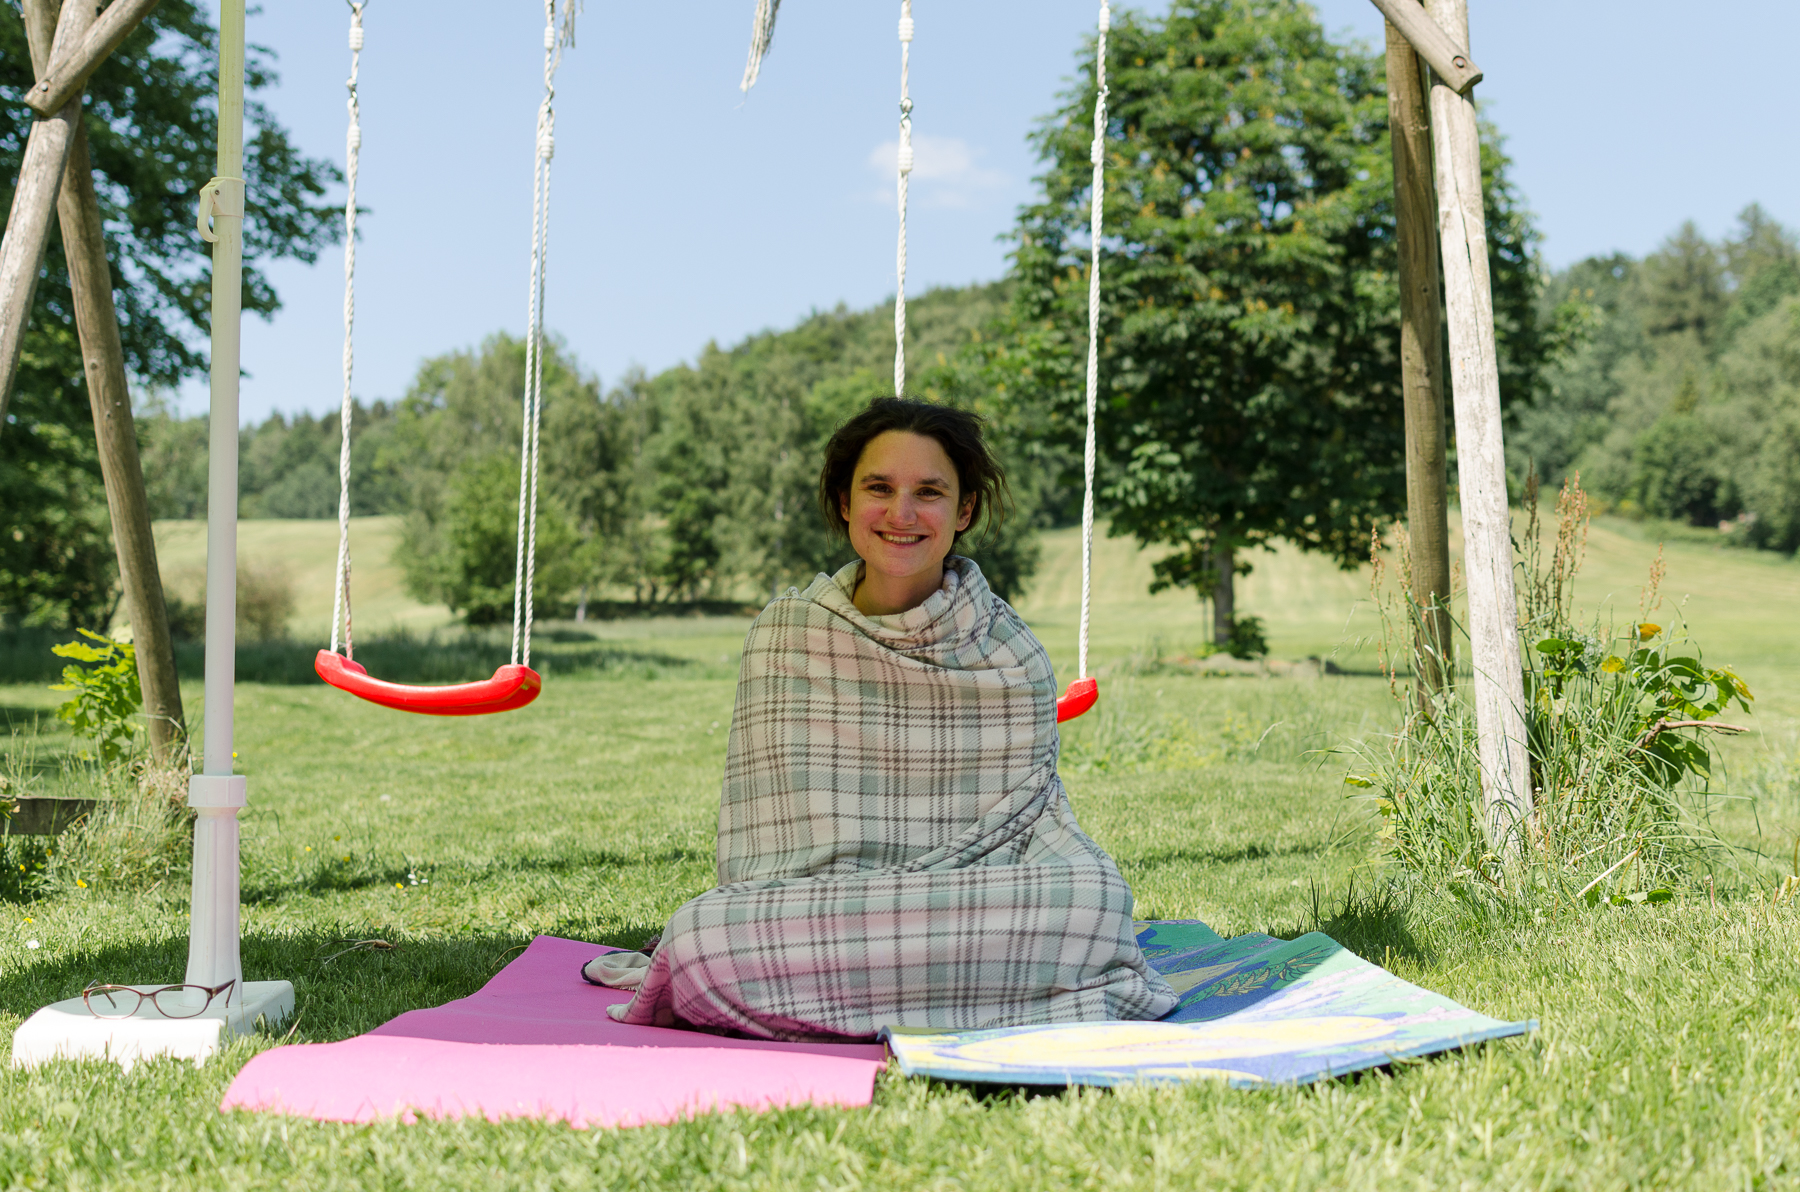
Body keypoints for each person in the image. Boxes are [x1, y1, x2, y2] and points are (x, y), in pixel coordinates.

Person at [587, 397, 1176, 1040]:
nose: (902, 514)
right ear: (845, 503)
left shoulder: (1010, 653)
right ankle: (980, 995)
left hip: (974, 896)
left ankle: (814, 1002)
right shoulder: (787, 637)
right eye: (879, 488)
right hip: (833, 913)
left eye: (929, 492)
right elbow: (766, 860)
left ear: (964, 511)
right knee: (702, 937)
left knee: (1095, 899)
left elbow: (1033, 823)